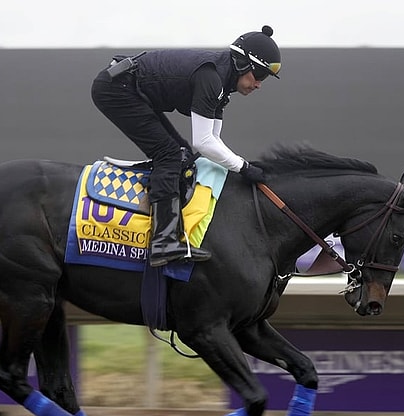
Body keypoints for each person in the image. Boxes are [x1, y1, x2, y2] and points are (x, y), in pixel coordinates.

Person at [91, 25, 282, 267]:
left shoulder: (223, 85)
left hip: (132, 89)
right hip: (116, 88)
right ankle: (163, 242)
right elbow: (203, 142)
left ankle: (166, 228)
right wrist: (244, 167)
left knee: (182, 155)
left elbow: (211, 144)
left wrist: (242, 166)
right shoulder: (211, 77)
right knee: (170, 155)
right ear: (243, 65)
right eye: (260, 75)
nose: (259, 85)